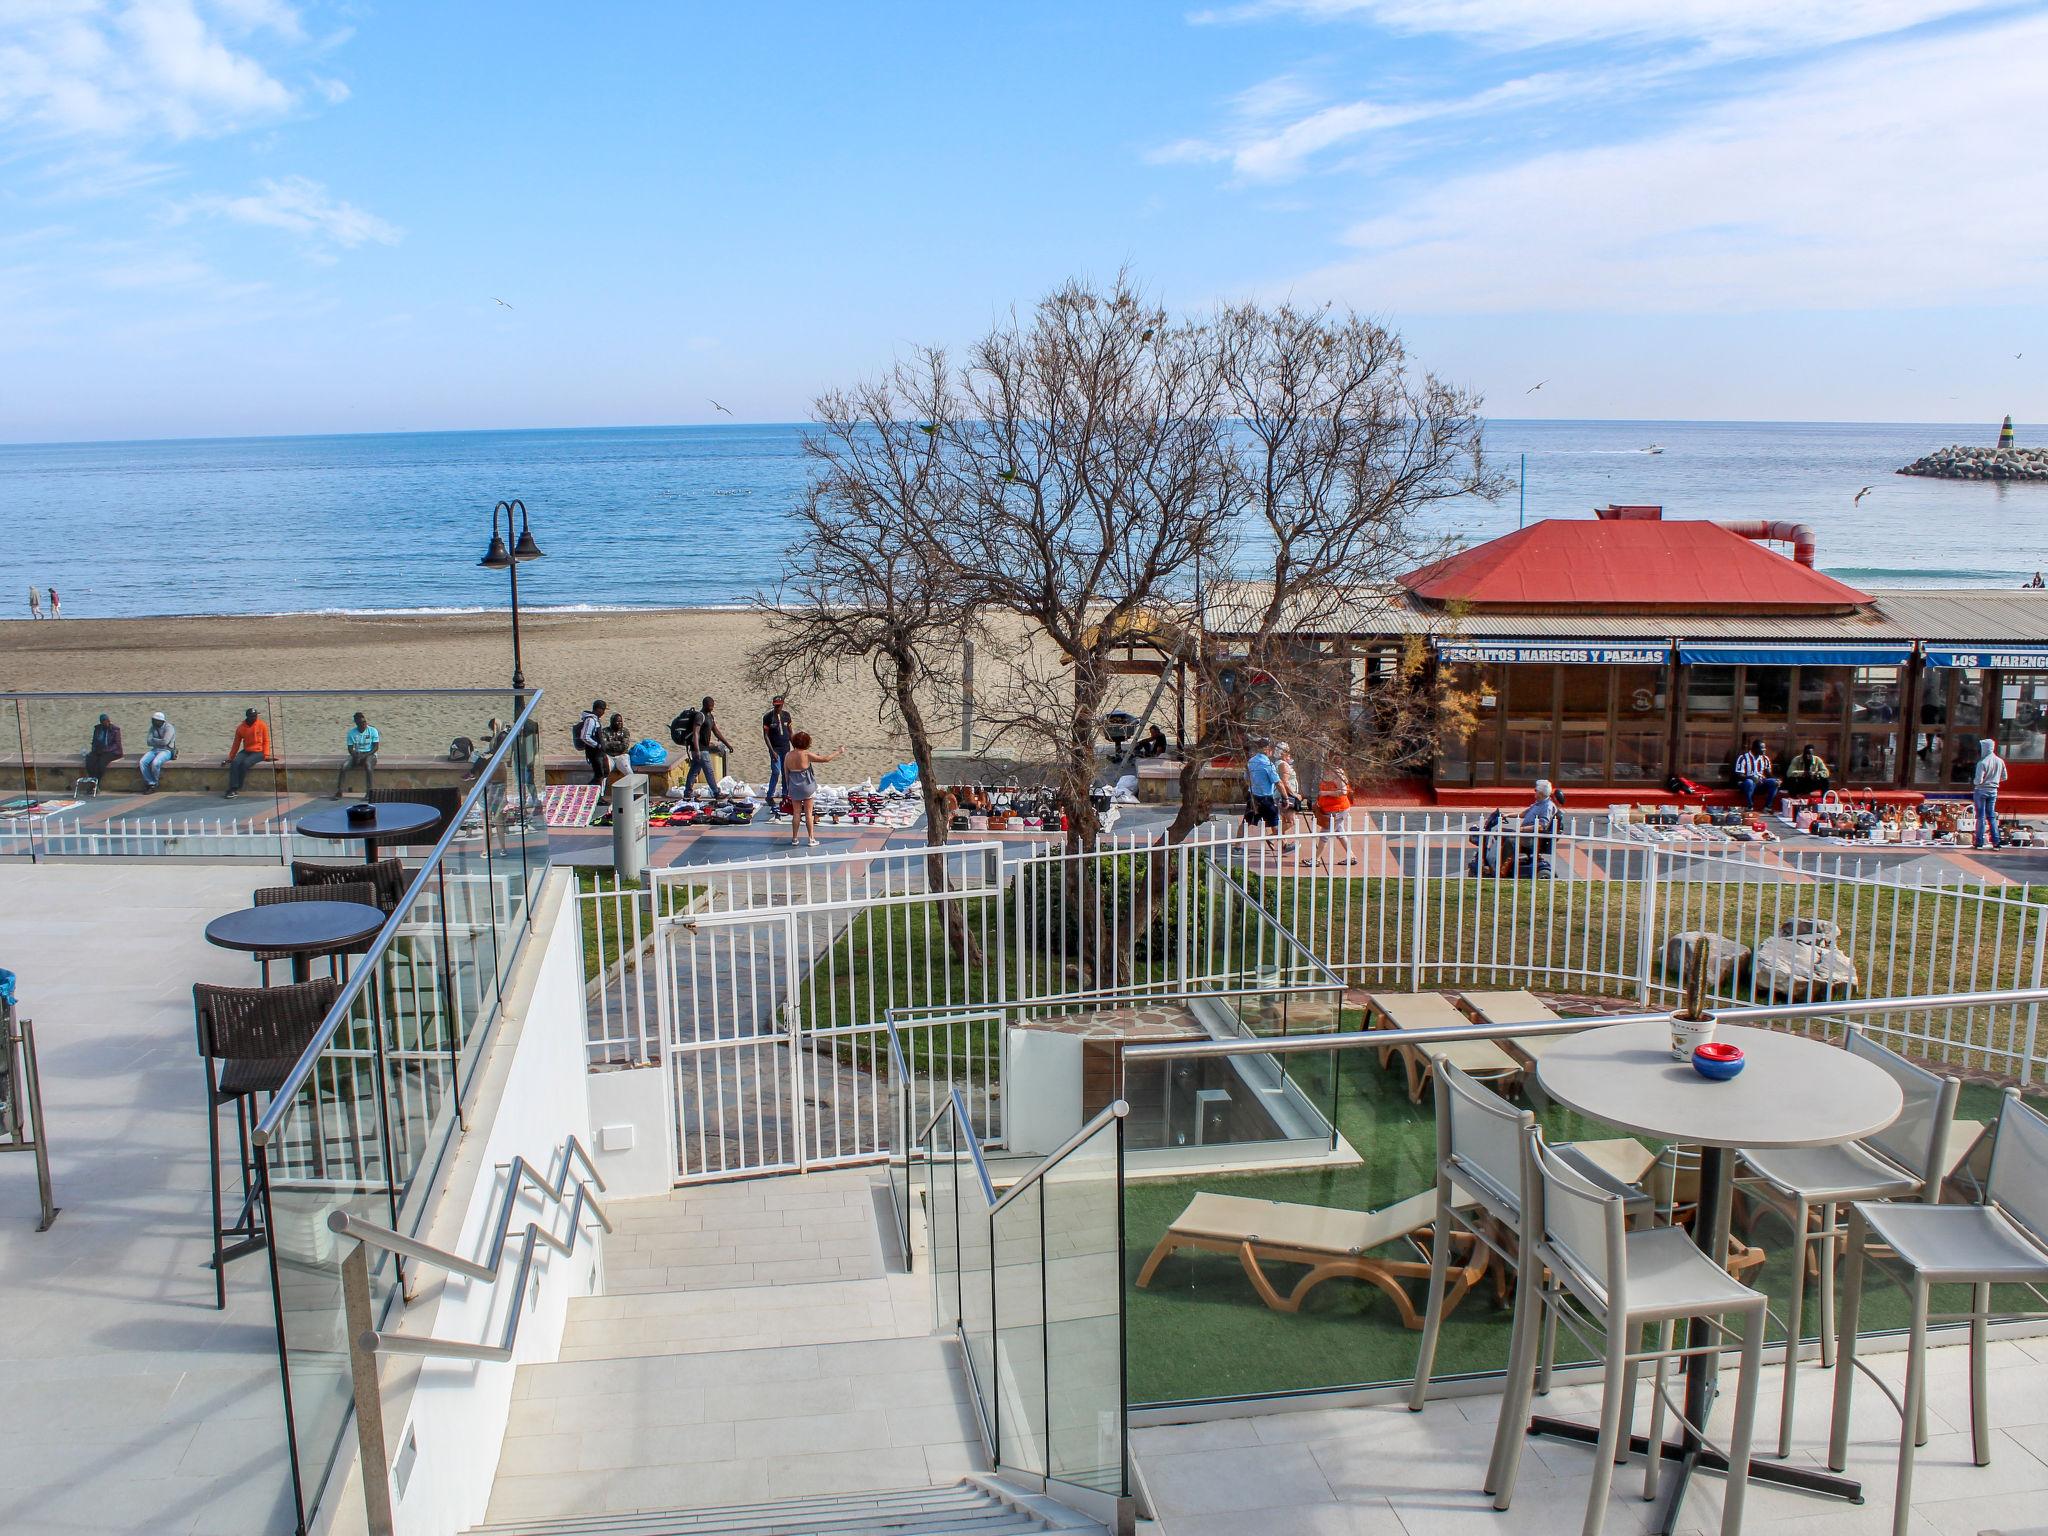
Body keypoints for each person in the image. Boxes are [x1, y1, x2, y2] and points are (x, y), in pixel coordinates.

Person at [782, 731, 842, 847]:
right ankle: (811, 838)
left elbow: (786, 773)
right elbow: (825, 759)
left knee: (796, 813)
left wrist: (789, 787)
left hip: (794, 786)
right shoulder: (806, 754)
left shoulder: (788, 755)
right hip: (807, 786)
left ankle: (794, 838)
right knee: (809, 813)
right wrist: (838, 752)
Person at [683, 695, 733, 800]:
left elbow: (716, 731)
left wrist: (727, 744)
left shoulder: (710, 716)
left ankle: (687, 792)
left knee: (694, 770)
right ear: (705, 705)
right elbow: (696, 733)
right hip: (700, 749)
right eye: (710, 706)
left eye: (712, 706)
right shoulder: (700, 716)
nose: (712, 707)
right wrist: (696, 750)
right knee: (709, 771)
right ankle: (716, 793)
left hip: (704, 748)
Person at [1514, 778, 1561, 877]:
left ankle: (1501, 869)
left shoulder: (1547, 807)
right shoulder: (1538, 803)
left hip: (1532, 838)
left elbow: (1542, 825)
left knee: (1508, 840)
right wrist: (1506, 815)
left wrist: (1522, 829)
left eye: (1536, 790)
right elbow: (1523, 813)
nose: (1534, 792)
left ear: (1541, 793)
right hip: (1525, 834)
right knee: (1501, 832)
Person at [223, 707, 270, 798]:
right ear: (248, 717)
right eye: (253, 716)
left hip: (259, 752)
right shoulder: (241, 728)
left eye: (256, 716)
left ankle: (235, 788)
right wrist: (231, 757)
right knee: (235, 763)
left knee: (245, 763)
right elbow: (236, 743)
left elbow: (266, 741)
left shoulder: (262, 725)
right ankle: (232, 789)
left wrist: (266, 755)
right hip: (247, 750)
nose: (255, 718)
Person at [332, 711, 379, 797]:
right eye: (361, 723)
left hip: (370, 754)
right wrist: (355, 755)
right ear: (357, 723)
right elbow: (350, 749)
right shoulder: (352, 733)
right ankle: (339, 791)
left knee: (368, 766)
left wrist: (365, 755)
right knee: (344, 766)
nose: (364, 724)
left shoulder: (373, 731)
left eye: (365, 721)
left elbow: (375, 748)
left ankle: (369, 792)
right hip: (357, 754)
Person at [1974, 736, 2008, 849]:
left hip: (1981, 790)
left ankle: (1979, 842)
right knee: (1992, 817)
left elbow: (1979, 780)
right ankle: (1996, 842)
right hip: (1993, 791)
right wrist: (1995, 780)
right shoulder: (2000, 761)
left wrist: (1976, 782)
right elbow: (2004, 777)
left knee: (1981, 817)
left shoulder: (1982, 763)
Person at [1245, 738, 1281, 841]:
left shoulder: (1251, 761)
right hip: (1266, 797)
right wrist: (1286, 797)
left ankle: (1237, 846)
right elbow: (1278, 782)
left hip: (1253, 795)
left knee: (1246, 822)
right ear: (1267, 749)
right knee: (1274, 822)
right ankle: (1283, 844)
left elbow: (1246, 778)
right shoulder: (1267, 764)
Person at [762, 694, 794, 804]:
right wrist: (772, 750)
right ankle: (770, 795)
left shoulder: (786, 716)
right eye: (775, 705)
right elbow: (766, 735)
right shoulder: (767, 717)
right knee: (776, 771)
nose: (777, 707)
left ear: (782, 705)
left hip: (786, 748)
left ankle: (785, 794)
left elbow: (790, 731)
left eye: (779, 705)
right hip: (775, 748)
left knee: (786, 773)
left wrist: (795, 746)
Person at [1733, 739, 1779, 811]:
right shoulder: (1743, 758)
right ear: (1755, 749)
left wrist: (1777, 779)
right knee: (1749, 782)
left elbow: (1768, 774)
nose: (1764, 750)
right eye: (1762, 748)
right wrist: (1751, 777)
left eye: (1765, 748)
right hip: (1746, 785)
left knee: (1774, 782)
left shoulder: (1765, 759)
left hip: (1760, 784)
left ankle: (1767, 807)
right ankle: (1750, 806)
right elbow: (1738, 775)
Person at [138, 710, 176, 790]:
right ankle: (150, 782)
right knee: (142, 762)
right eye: (153, 720)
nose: (153, 722)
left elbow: (166, 741)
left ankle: (155, 782)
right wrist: (159, 741)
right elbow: (148, 742)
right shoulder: (152, 728)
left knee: (155, 763)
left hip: (166, 751)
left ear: (160, 721)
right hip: (155, 750)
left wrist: (154, 740)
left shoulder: (169, 728)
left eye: (155, 720)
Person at [82, 713, 123, 783]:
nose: (106, 723)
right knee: (89, 760)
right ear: (101, 722)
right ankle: (93, 780)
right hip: (99, 750)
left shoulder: (115, 730)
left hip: (112, 751)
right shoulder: (98, 729)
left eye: (107, 721)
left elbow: (117, 745)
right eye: (103, 721)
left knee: (101, 764)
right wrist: (94, 749)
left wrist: (106, 750)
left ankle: (95, 783)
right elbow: (94, 741)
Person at [576, 700, 607, 784]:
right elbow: (585, 736)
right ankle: (592, 793)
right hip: (594, 753)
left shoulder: (595, 719)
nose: (603, 712)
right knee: (598, 776)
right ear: (597, 709)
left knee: (601, 775)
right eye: (602, 709)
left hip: (598, 753)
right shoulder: (590, 720)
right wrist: (597, 745)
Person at [600, 711, 632, 780]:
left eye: (621, 721)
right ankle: (601, 791)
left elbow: (624, 746)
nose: (620, 723)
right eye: (617, 721)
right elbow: (604, 746)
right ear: (612, 722)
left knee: (629, 772)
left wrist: (610, 743)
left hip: (622, 756)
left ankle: (632, 790)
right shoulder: (604, 731)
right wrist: (617, 742)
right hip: (609, 756)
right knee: (603, 773)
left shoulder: (625, 731)